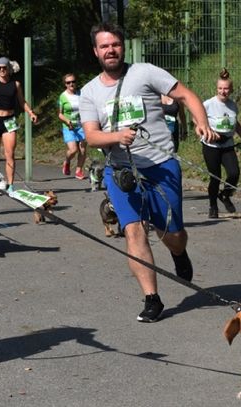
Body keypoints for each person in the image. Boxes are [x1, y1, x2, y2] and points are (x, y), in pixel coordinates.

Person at [79, 23, 217, 323]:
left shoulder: (145, 72)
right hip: (121, 172)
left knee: (172, 234)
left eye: (115, 44)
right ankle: (152, 298)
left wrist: (201, 122)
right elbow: (91, 136)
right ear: (95, 52)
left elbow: (187, 96)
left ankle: (179, 254)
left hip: (160, 166)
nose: (110, 50)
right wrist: (116, 137)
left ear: (122, 46)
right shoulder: (89, 92)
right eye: (104, 46)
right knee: (133, 230)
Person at [0, 57, 38, 193]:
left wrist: (30, 112)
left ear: (9, 68)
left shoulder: (15, 84)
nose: (2, 70)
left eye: (4, 67)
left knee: (10, 154)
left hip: (9, 120)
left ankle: (11, 185)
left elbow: (22, 101)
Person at [202, 68, 241, 218]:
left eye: (226, 89)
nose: (223, 91)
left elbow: (236, 123)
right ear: (217, 89)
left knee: (234, 173)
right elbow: (197, 120)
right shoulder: (208, 104)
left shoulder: (233, 105)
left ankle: (225, 195)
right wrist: (207, 131)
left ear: (231, 89)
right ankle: (213, 206)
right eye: (220, 88)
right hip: (211, 145)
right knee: (215, 177)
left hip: (227, 144)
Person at [58, 73, 87, 179]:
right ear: (65, 84)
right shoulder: (63, 96)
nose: (71, 84)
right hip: (68, 127)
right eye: (68, 82)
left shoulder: (81, 94)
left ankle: (79, 170)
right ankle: (67, 161)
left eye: (73, 82)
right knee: (73, 150)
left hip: (81, 125)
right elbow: (60, 114)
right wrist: (67, 121)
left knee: (83, 149)